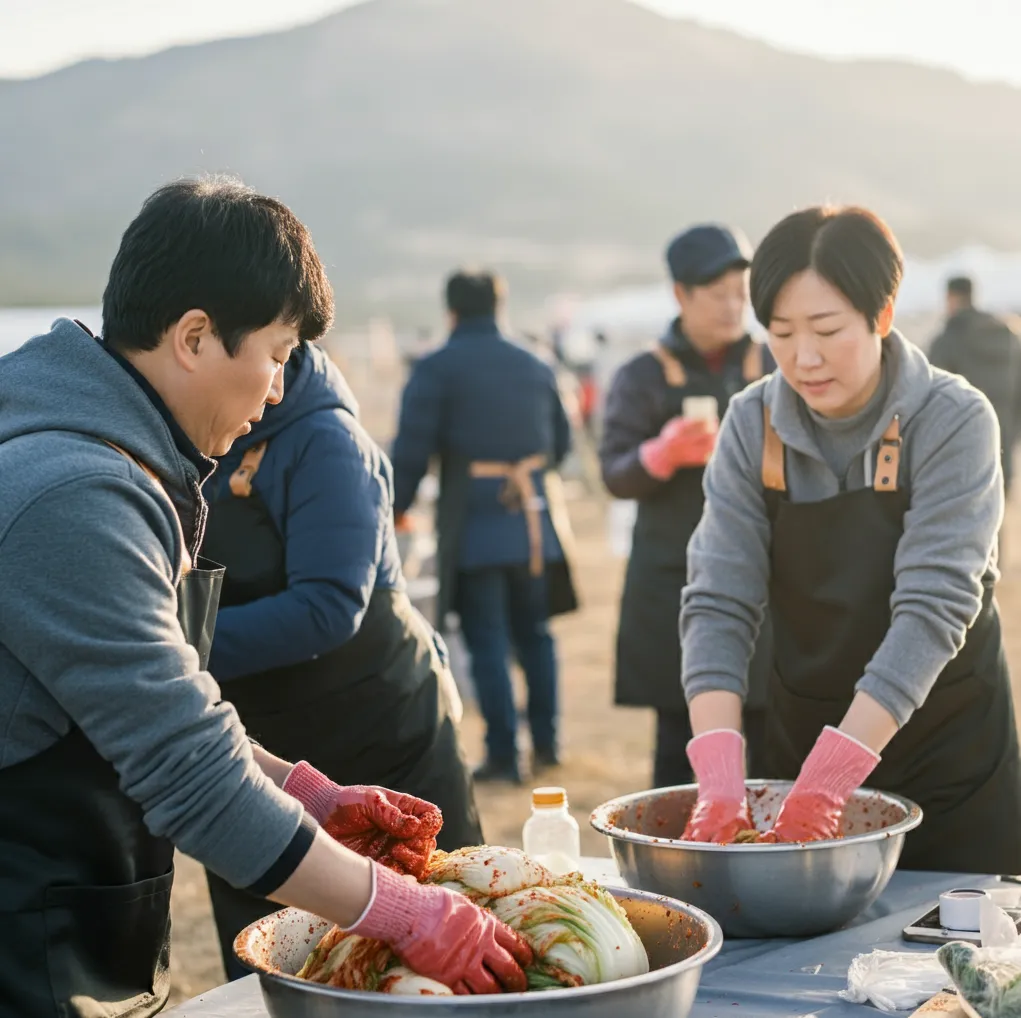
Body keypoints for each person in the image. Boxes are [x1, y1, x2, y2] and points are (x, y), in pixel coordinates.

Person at [0, 179, 531, 1018]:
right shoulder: (75, 494)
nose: (279, 389)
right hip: (25, 941)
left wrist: (307, 794)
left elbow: (160, 705)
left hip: (72, 919)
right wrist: (402, 913)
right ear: (195, 338)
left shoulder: (118, 461)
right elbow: (186, 770)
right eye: (277, 354)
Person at [679, 205, 1021, 871]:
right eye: (779, 333)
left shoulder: (951, 420)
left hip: (945, 749)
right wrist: (719, 778)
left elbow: (933, 605)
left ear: (882, 315)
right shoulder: (751, 424)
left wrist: (833, 779)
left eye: (827, 330)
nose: (803, 359)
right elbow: (718, 599)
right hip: (797, 750)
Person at [199, 339, 484, 979]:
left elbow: (328, 606)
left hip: (381, 733)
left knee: (428, 963)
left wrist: (173, 648)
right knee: (284, 964)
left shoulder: (326, 439)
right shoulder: (194, 443)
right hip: (264, 750)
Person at [599, 225, 774, 787]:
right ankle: (675, 865)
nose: (732, 307)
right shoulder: (644, 374)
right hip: (675, 573)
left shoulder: (770, 361)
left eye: (739, 293)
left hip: (769, 571)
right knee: (682, 734)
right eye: (717, 293)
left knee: (773, 725)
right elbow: (614, 474)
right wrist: (660, 453)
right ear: (680, 294)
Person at [391, 270, 576, 785]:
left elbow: (410, 452)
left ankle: (502, 755)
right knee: (536, 635)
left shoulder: (437, 367)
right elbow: (561, 447)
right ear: (499, 306)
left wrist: (393, 508)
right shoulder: (537, 362)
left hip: (474, 524)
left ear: (451, 310)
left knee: (487, 639)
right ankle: (548, 743)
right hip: (534, 520)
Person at [928, 275, 1021, 498]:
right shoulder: (1007, 335)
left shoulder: (948, 339)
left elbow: (930, 400)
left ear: (950, 298)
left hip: (962, 451)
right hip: (1003, 444)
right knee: (997, 516)